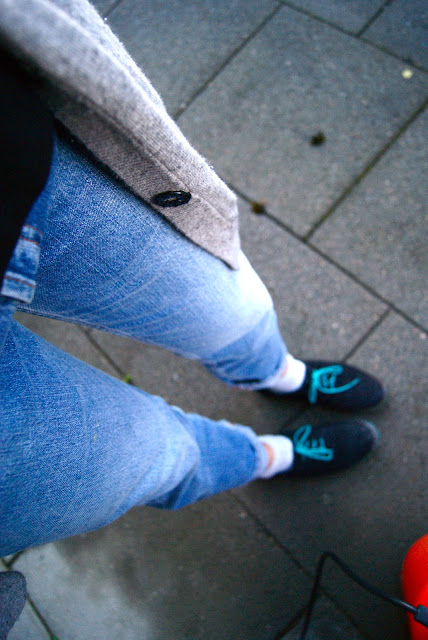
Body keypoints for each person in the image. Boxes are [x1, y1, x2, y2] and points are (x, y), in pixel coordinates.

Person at [0, 0, 384, 560]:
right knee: (147, 453)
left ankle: (282, 376)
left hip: (19, 175)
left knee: (228, 307)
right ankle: (273, 457)